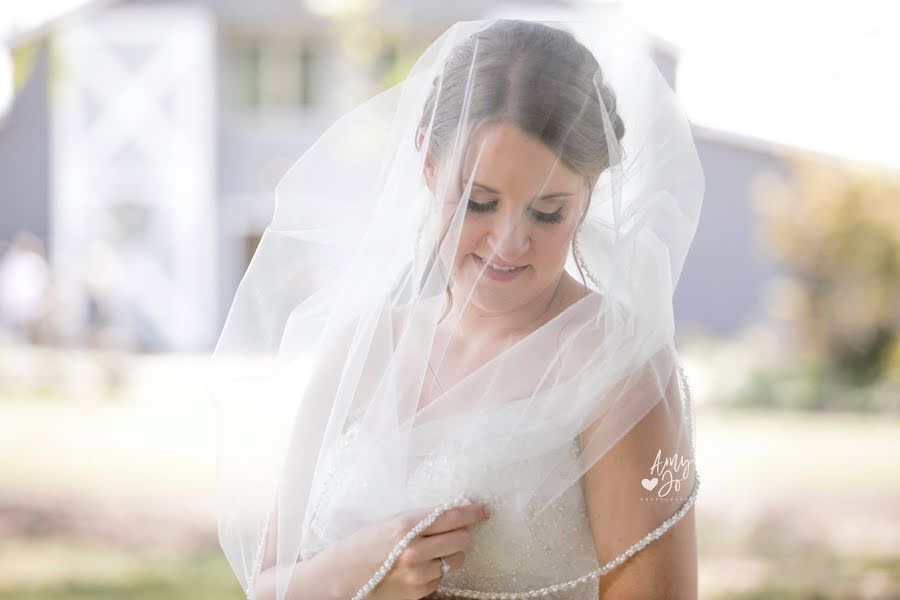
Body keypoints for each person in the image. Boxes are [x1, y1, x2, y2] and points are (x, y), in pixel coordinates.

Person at [213, 15, 705, 600]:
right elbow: (269, 586)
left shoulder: (617, 366)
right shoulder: (364, 348)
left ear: (589, 194)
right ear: (427, 163)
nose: (508, 242)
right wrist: (366, 570)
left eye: (547, 211)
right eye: (479, 201)